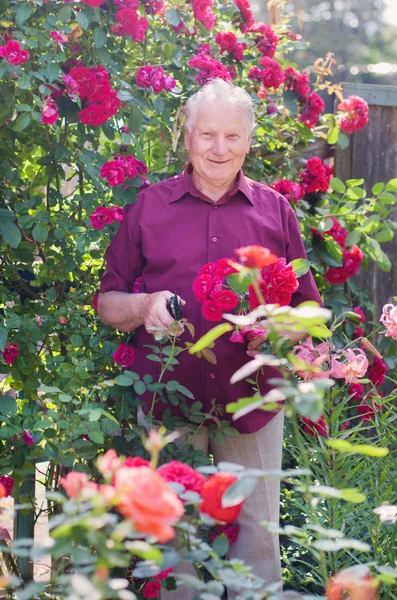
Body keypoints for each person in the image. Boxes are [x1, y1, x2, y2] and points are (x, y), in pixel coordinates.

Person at [98, 78, 322, 597]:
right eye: (206, 135)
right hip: (167, 401)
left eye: (231, 136)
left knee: (258, 543)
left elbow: (308, 311)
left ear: (248, 140)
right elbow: (108, 301)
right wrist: (144, 306)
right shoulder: (150, 208)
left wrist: (276, 331)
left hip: (254, 399)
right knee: (172, 545)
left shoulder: (275, 212)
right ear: (187, 136)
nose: (219, 149)